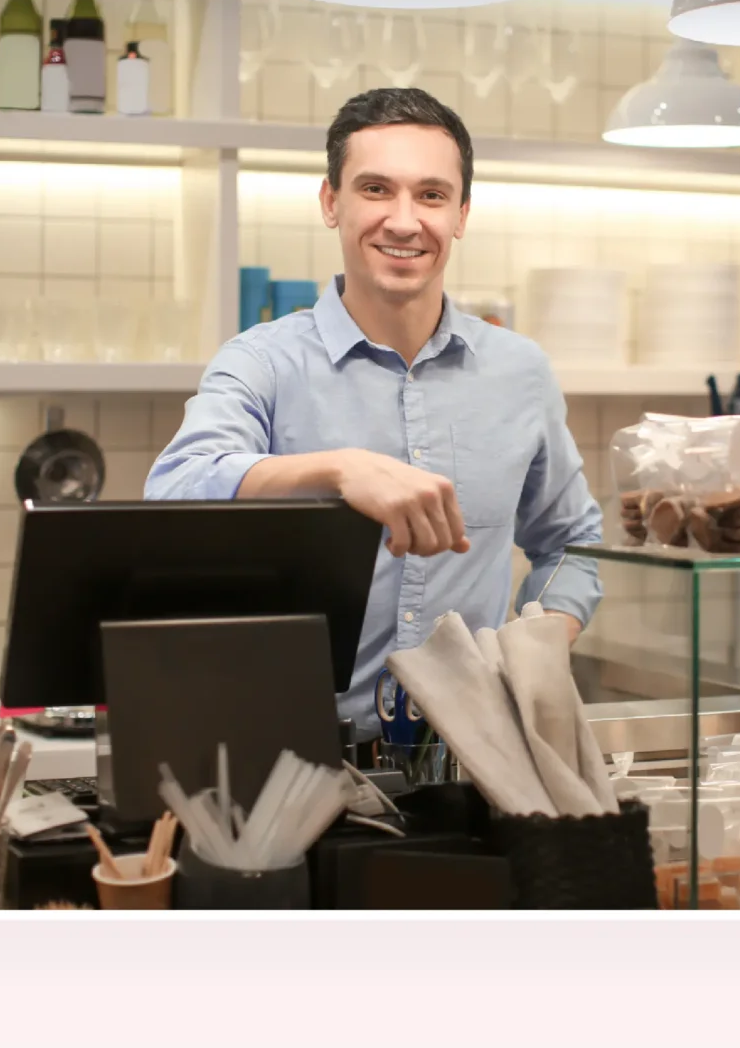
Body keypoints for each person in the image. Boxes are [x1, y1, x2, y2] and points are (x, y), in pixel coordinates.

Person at [145, 87, 603, 739]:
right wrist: (336, 470)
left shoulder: (520, 371)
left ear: (462, 214)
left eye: (432, 195)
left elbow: (573, 541)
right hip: (290, 756)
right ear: (332, 203)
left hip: (473, 758)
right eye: (376, 189)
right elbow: (173, 492)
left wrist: (534, 648)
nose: (404, 220)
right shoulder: (261, 362)